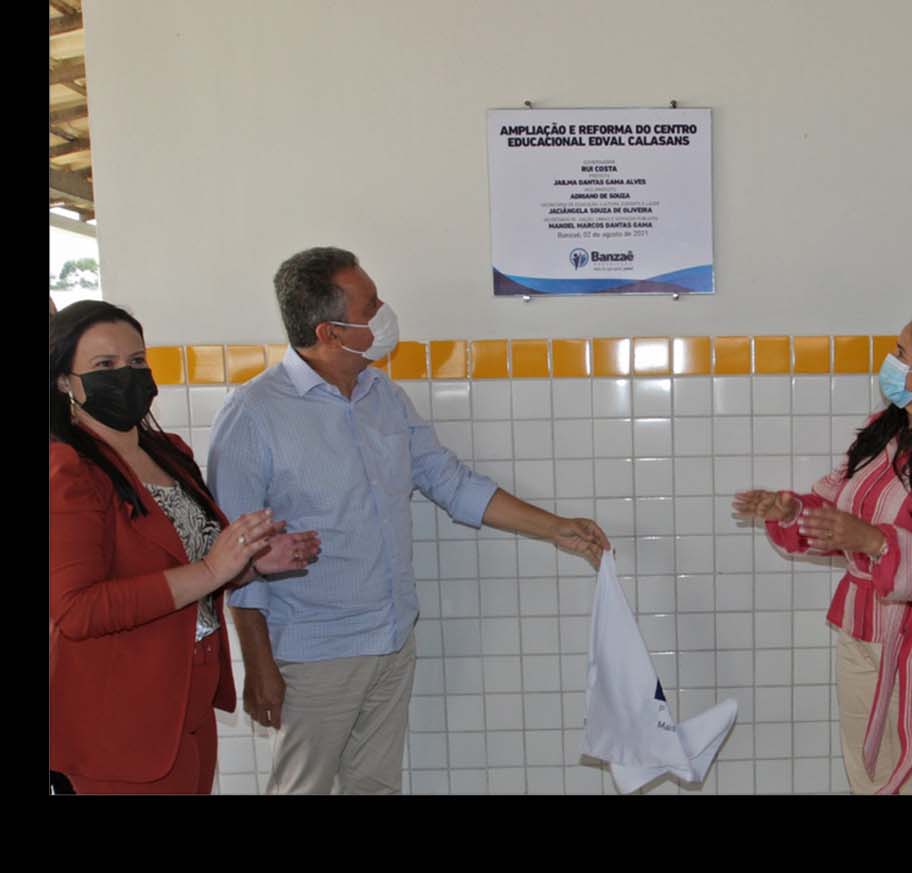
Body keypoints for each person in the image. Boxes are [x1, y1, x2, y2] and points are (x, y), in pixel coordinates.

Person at [209, 246, 614, 793]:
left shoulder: (384, 397)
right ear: (330, 331)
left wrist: (557, 527)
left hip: (393, 636)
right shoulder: (253, 414)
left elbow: (450, 481)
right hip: (314, 652)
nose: (384, 311)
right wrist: (258, 665)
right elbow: (233, 557)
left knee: (376, 787)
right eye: (370, 304)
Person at [734, 311, 912, 793]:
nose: (891, 362)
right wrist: (789, 510)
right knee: (865, 774)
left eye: (902, 354)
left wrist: (874, 540)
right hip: (864, 625)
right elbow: (836, 511)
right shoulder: (881, 432)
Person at [50, 299, 320, 792]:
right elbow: (76, 611)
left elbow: (199, 566)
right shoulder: (67, 471)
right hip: (121, 718)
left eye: (136, 362)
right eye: (104, 366)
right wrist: (215, 570)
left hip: (187, 698)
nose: (126, 376)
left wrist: (251, 565)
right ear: (65, 381)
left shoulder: (169, 452)